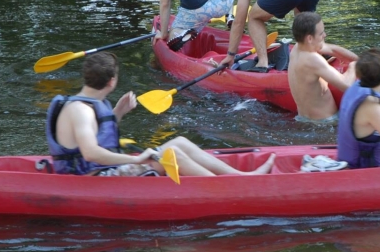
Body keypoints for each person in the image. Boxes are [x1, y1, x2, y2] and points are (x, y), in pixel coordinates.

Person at [46, 52, 275, 177]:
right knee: (172, 153)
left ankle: (239, 177)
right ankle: (228, 189)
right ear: (112, 81)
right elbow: (90, 153)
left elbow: (93, 139)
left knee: (180, 142)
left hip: (101, 171)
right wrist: (135, 159)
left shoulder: (90, 103)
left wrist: (117, 114)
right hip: (91, 180)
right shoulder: (82, 111)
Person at [220, 0, 323, 72]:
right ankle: (317, 54)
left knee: (254, 17)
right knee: (303, 19)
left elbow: (239, 22)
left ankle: (262, 63)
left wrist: (231, 55)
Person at [288, 12, 358, 123]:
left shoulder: (297, 48)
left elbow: (332, 50)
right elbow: (347, 86)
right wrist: (353, 66)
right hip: (326, 122)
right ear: (310, 38)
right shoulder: (313, 60)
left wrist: (358, 59)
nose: (325, 35)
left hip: (302, 119)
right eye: (321, 34)